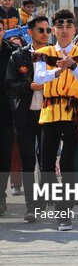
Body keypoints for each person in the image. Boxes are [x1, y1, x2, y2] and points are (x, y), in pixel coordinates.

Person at [33, 9, 78, 230]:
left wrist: (71, 65)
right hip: (50, 111)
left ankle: (64, 212)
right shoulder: (45, 52)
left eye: (69, 26)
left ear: (75, 29)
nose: (64, 30)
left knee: (68, 164)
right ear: (53, 30)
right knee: (47, 164)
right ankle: (42, 202)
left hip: (73, 113)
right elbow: (38, 77)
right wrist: (56, 73)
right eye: (60, 27)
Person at [5, 15, 49, 221]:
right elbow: (10, 85)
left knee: (46, 162)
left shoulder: (54, 55)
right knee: (28, 161)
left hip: (49, 115)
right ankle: (31, 206)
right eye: (40, 30)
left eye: (48, 30)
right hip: (24, 116)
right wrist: (28, 86)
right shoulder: (18, 56)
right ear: (30, 32)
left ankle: (41, 203)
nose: (45, 34)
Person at [0, 21, 20, 216]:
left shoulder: (12, 52)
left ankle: (1, 195)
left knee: (5, 154)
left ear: (3, 31)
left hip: (7, 111)